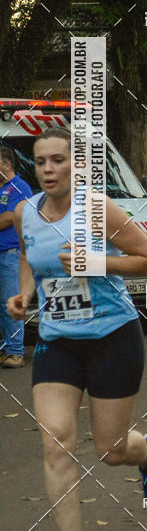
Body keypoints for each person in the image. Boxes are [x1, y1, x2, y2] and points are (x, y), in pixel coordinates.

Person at [7, 127, 147, 531]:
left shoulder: (97, 208)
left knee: (110, 450)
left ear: (77, 165)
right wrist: (24, 292)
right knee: (56, 441)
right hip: (57, 341)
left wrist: (94, 262)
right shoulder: (25, 212)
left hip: (112, 337)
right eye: (41, 162)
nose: (49, 169)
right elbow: (28, 256)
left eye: (59, 160)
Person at [0, 147, 33, 368]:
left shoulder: (19, 187)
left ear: (6, 164)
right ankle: (5, 348)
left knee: (8, 301)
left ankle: (15, 352)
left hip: (11, 255)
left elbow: (9, 218)